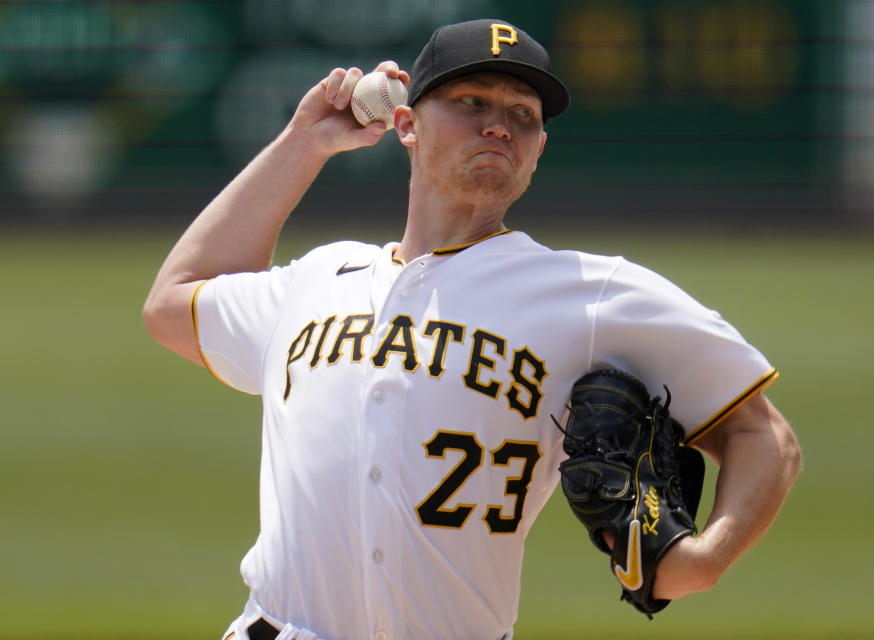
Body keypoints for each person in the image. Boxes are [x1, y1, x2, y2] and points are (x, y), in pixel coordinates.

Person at [143, 19, 801, 640]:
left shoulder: (591, 294)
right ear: (406, 124)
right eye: (471, 102)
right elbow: (173, 304)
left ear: (539, 150)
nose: (499, 127)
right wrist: (303, 143)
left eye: (522, 116)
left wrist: (703, 560)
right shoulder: (319, 278)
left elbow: (764, 433)